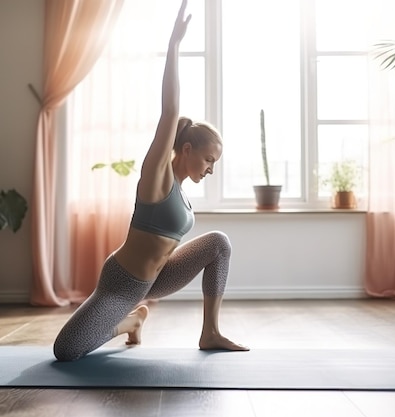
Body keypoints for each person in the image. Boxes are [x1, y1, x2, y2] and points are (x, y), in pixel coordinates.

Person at [53, 0, 248, 361]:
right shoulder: (156, 176)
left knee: (219, 243)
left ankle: (210, 332)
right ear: (186, 149)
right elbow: (170, 111)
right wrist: (174, 46)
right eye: (208, 159)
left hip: (157, 278)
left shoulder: (184, 194)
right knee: (66, 350)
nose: (210, 168)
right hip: (123, 283)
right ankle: (130, 323)